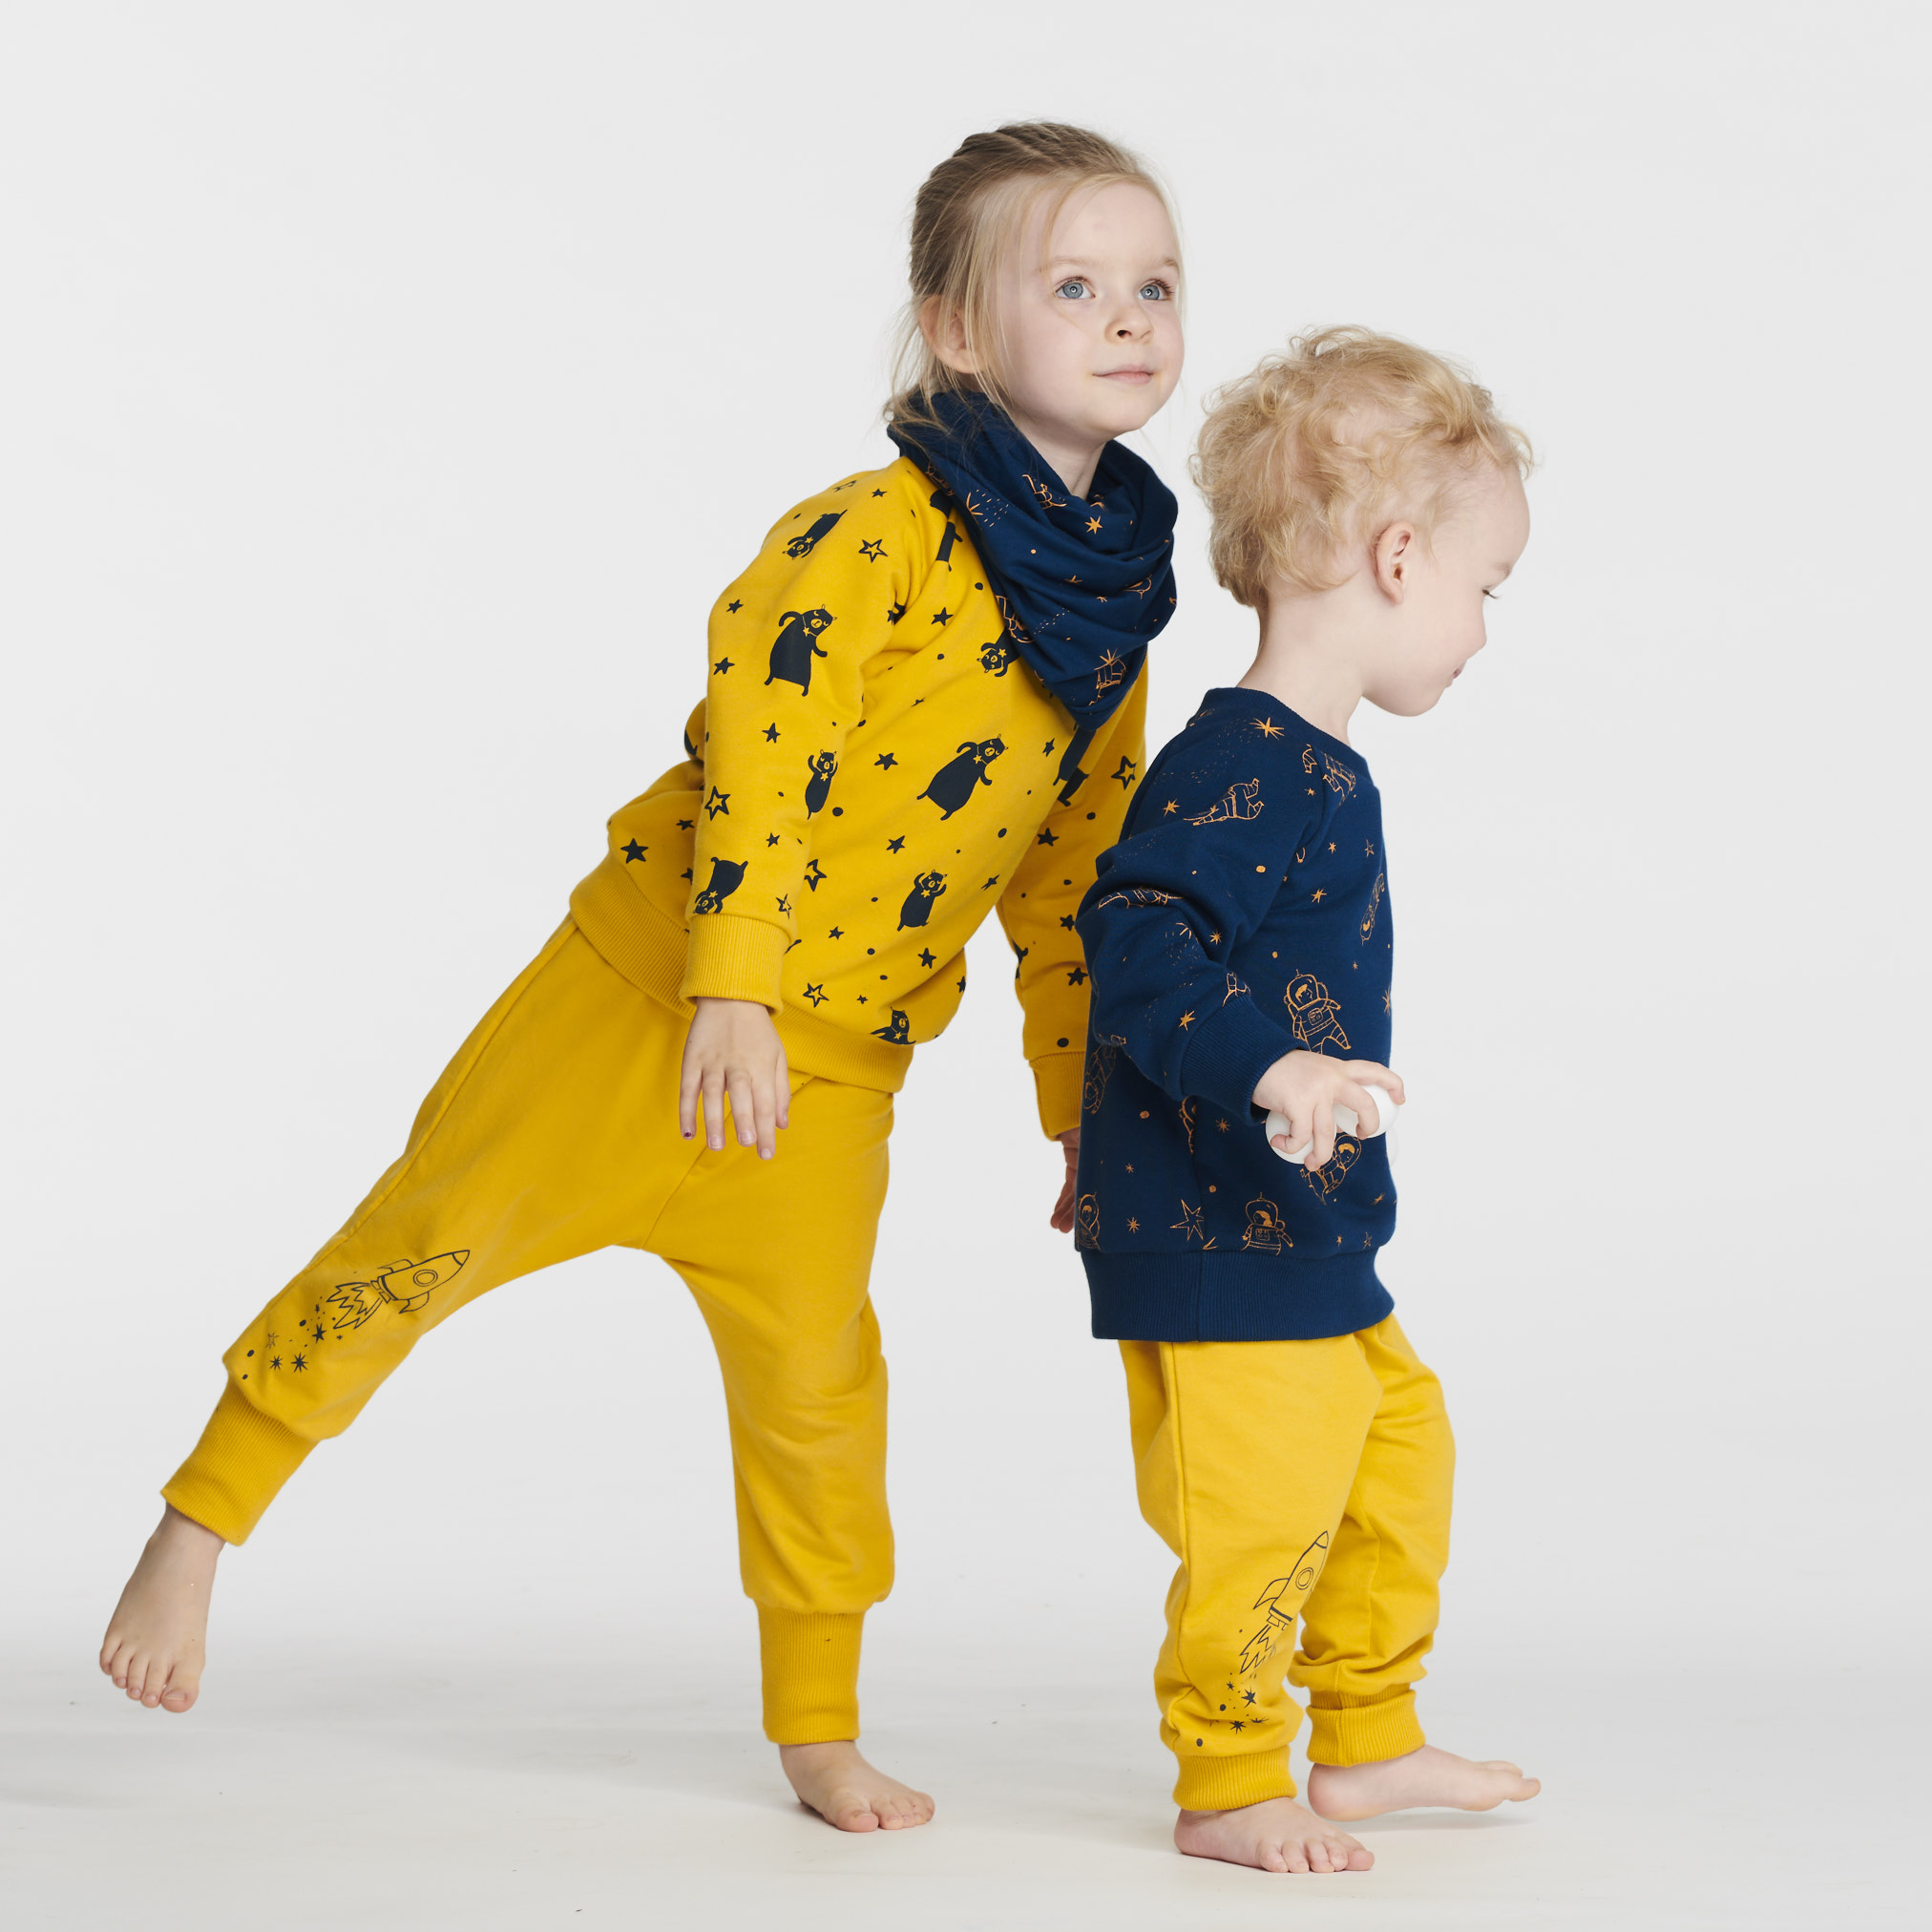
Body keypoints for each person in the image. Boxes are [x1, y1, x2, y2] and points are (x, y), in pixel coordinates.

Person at [99, 120, 1186, 1835]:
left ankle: (819, 1722)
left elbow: (1070, 883)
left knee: (821, 1395)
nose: (1128, 317)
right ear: (958, 332)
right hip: (645, 1012)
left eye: (1156, 286)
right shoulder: (871, 536)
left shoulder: (1111, 618)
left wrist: (1079, 1113)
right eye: (1075, 286)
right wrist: (731, 985)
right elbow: (767, 743)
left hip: (832, 1077)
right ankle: (196, 1526)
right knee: (419, 1244)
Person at [1073, 326, 1541, 1874]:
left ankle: (1368, 1738)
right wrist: (1273, 1066)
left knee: (1398, 1454)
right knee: (1261, 1512)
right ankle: (1227, 1779)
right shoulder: (1244, 761)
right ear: (1400, 559)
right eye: (1488, 586)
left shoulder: (1317, 766)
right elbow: (1138, 942)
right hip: (1220, 1233)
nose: (1485, 628)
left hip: (1305, 1219)